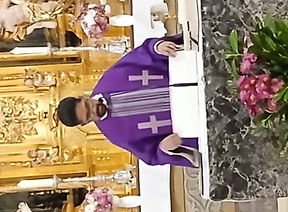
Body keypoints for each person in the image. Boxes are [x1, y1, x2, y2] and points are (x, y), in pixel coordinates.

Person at [56, 34, 198, 167]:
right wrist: (163, 149)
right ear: (85, 122)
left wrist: (157, 48)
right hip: (197, 119)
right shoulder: (116, 134)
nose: (94, 110)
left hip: (193, 75)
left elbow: (145, 53)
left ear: (82, 97)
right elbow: (152, 155)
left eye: (88, 105)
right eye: (89, 115)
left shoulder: (112, 78)